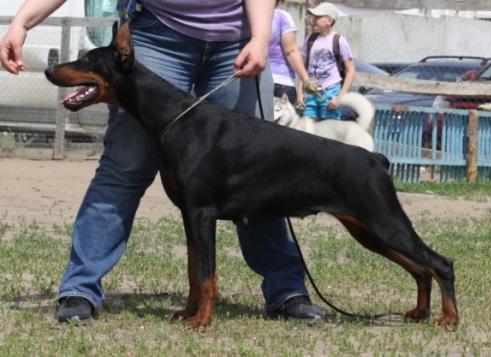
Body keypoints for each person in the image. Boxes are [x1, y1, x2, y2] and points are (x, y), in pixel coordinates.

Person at [1, 0, 325, 323]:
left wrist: (259, 36)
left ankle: (287, 290)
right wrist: (22, 23)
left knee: (257, 172)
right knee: (125, 166)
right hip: (159, 38)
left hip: (239, 40)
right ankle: (80, 289)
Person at [297, 2, 356, 119]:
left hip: (330, 92)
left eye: (318, 17)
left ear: (329, 21)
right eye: (313, 17)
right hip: (310, 93)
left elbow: (351, 70)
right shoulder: (310, 40)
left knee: (330, 130)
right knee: (308, 130)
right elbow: (302, 68)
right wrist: (300, 93)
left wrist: (340, 96)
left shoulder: (339, 41)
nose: (313, 20)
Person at [269, 1, 311, 104]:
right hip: (282, 81)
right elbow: (291, 51)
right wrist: (306, 80)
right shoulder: (282, 17)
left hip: (255, 81)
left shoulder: (247, 18)